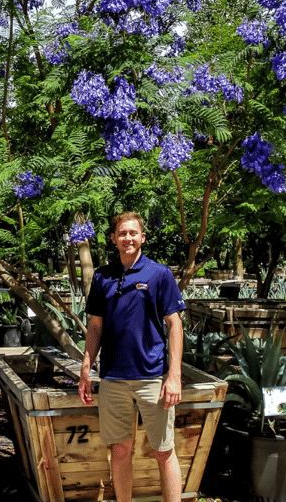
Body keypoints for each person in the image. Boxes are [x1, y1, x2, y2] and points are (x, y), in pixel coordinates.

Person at [78, 212, 186, 502]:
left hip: (152, 378)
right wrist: (86, 368)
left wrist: (174, 376)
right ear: (113, 239)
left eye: (133, 233)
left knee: (163, 451)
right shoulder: (102, 276)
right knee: (121, 450)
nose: (127, 238)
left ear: (142, 237)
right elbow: (95, 326)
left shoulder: (159, 274)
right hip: (113, 379)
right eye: (122, 233)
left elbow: (174, 324)